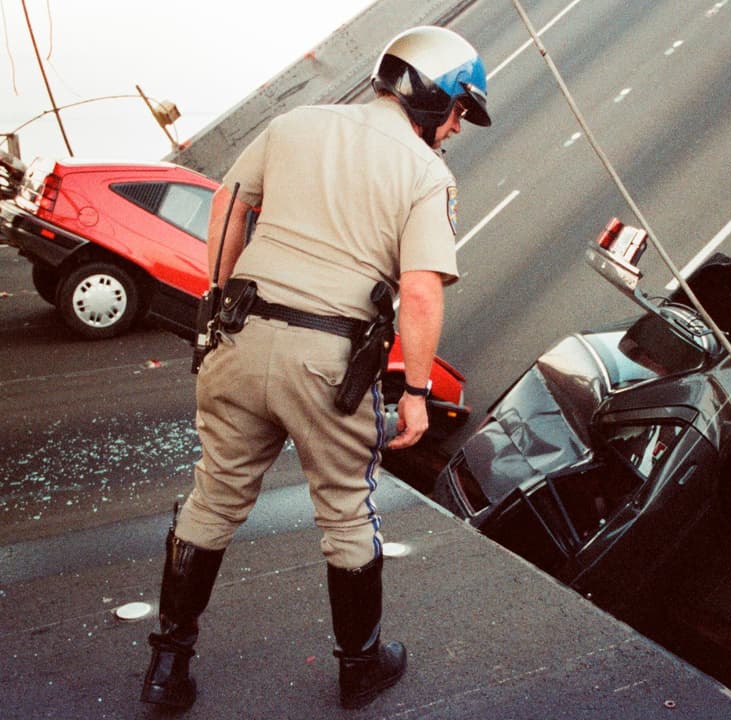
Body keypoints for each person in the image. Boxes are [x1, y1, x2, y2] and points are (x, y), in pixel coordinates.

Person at [139, 25, 491, 712]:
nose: (455, 128)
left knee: (212, 503)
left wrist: (216, 306)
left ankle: (167, 668)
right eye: (457, 110)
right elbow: (420, 291)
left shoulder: (295, 123)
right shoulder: (426, 175)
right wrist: (416, 393)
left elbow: (227, 207)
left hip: (240, 339)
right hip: (328, 363)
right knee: (346, 515)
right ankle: (360, 667)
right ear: (430, 95)